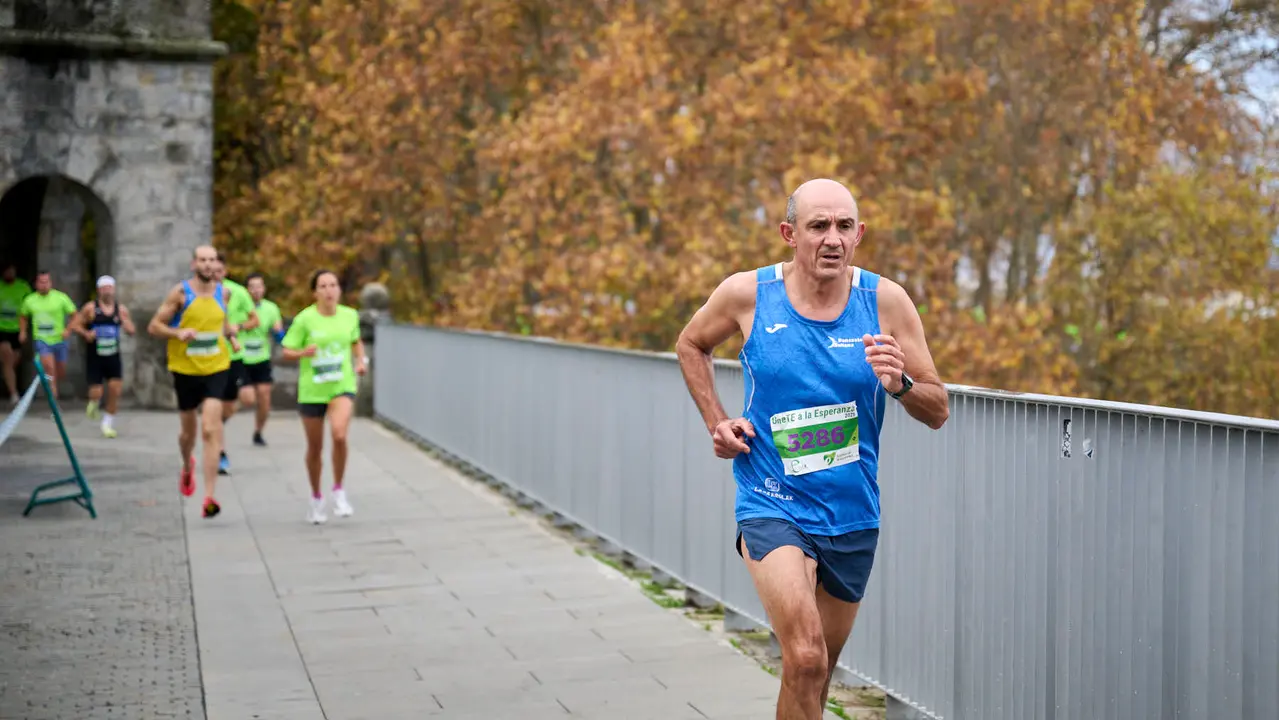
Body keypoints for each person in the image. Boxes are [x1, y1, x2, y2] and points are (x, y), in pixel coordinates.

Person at [674, 179, 949, 720]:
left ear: (859, 235)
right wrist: (717, 421)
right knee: (803, 656)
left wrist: (901, 386)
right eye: (818, 226)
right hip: (771, 498)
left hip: (851, 511)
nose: (832, 239)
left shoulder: (885, 302)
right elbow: (691, 343)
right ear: (788, 234)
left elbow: (938, 408)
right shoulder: (748, 295)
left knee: (815, 675)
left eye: (844, 227)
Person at [147, 245, 242, 519]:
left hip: (216, 366)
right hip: (185, 369)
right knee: (188, 434)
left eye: (213, 260)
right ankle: (187, 466)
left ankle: (210, 497)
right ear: (194, 264)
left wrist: (231, 336)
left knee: (211, 429)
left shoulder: (224, 292)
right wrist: (177, 333)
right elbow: (154, 326)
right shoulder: (180, 294)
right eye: (203, 260)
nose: (208, 265)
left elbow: (220, 323)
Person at [280, 269, 366, 525]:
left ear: (339, 290)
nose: (329, 290)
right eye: (323, 286)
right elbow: (286, 351)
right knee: (315, 448)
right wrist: (303, 352)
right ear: (315, 292)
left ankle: (338, 489)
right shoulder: (305, 319)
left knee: (339, 435)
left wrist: (360, 361)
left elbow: (356, 341)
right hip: (313, 389)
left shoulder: (350, 315)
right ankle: (316, 498)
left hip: (341, 384)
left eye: (333, 285)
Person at [69, 275, 136, 438]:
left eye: (110, 287)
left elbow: (131, 330)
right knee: (96, 392)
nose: (107, 291)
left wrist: (126, 324)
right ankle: (93, 403)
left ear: (113, 289)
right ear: (99, 290)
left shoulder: (120, 309)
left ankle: (107, 423)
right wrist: (86, 333)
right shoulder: (91, 308)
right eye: (104, 288)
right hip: (95, 356)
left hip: (113, 355)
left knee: (115, 390)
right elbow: (74, 325)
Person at [211, 253, 258, 474]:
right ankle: (221, 454)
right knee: (216, 405)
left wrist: (238, 327)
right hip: (211, 358)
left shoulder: (238, 291)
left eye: (220, 271)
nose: (216, 275)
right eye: (213, 271)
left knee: (242, 401)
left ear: (225, 271)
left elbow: (254, 320)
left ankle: (218, 422)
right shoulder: (201, 293)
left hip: (235, 356)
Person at [238, 272, 284, 446]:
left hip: (262, 359)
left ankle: (258, 432)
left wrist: (290, 344)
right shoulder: (239, 308)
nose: (256, 290)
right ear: (246, 290)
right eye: (252, 287)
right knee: (248, 399)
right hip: (241, 358)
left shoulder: (271, 308)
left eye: (259, 286)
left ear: (264, 288)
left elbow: (278, 332)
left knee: (264, 399)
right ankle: (222, 414)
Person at [18, 270, 78, 399]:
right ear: (36, 284)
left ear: (51, 283)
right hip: (41, 339)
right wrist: (22, 332)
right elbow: (23, 316)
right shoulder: (30, 300)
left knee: (60, 370)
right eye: (41, 282)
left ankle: (54, 388)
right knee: (49, 369)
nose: (44, 285)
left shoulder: (61, 297)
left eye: (46, 282)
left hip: (60, 339)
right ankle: (53, 401)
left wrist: (68, 329)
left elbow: (75, 315)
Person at [0, 262, 32, 406]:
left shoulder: (23, 286)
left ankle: (6, 377)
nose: (10, 274)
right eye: (7, 272)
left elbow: (30, 305)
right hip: (2, 329)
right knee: (7, 356)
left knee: (13, 362)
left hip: (17, 329)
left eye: (12, 272)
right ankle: (14, 393)